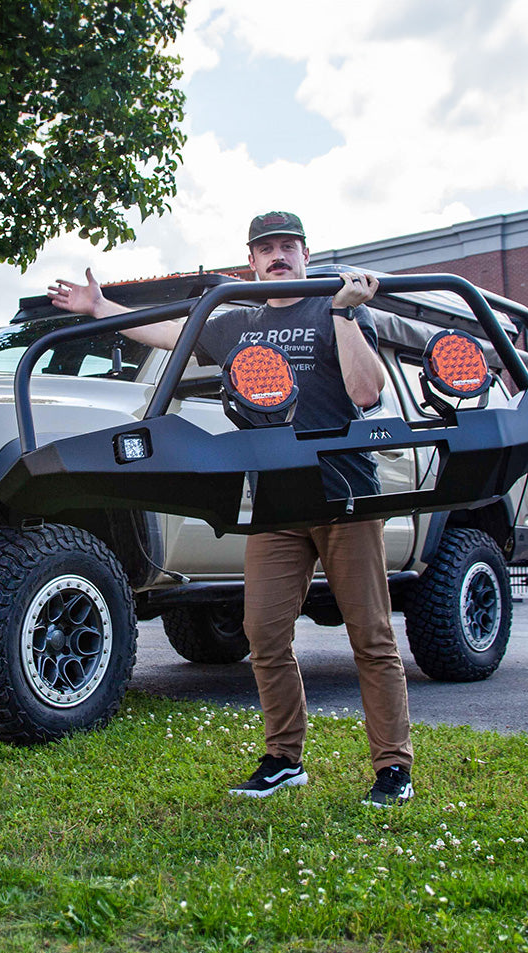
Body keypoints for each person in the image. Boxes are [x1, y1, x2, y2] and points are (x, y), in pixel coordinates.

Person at [47, 211, 414, 807]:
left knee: (369, 636)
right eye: (265, 248)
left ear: (305, 251)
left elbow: (366, 392)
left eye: (287, 247)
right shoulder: (239, 320)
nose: (277, 257)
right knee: (264, 634)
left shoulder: (340, 305)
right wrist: (99, 307)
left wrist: (346, 312)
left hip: (344, 492)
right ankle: (283, 757)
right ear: (251, 260)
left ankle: (392, 767)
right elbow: (169, 332)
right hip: (274, 500)